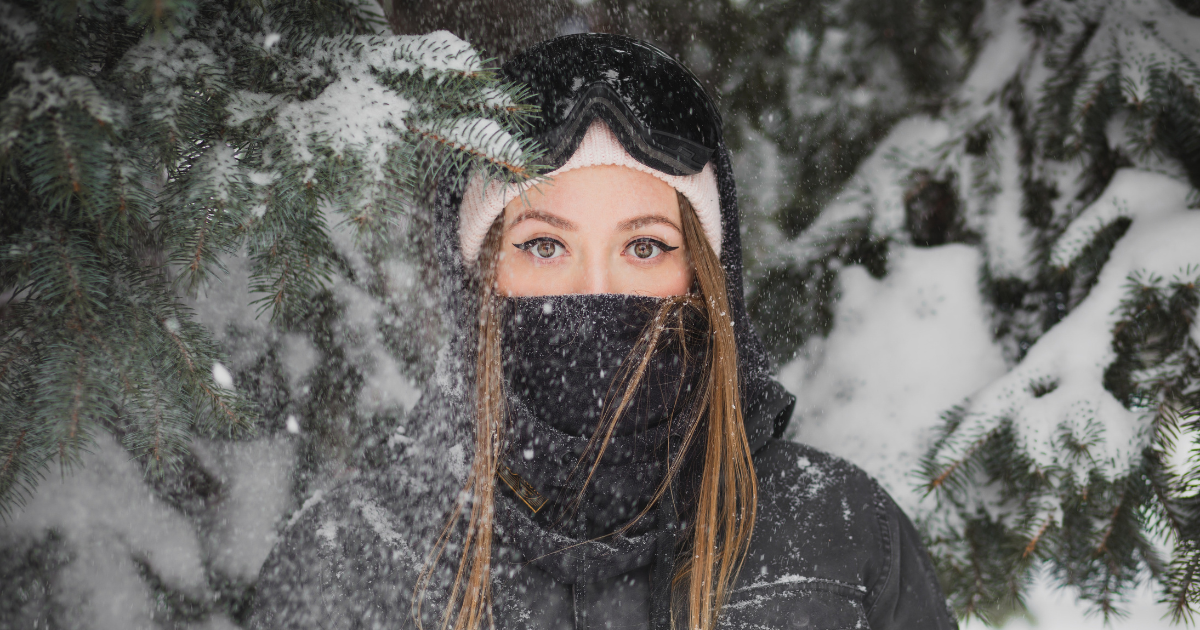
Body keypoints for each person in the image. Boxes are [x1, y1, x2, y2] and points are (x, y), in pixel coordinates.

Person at [249, 33, 957, 630]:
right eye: (543, 245)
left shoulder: (838, 534)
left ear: (705, 277)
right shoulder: (357, 555)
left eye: (645, 246)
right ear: (479, 280)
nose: (596, 290)